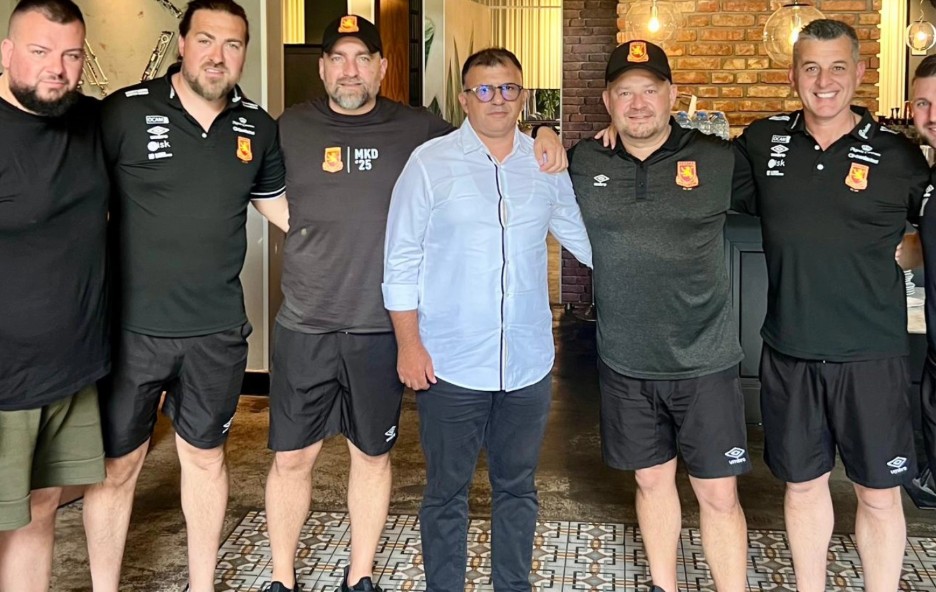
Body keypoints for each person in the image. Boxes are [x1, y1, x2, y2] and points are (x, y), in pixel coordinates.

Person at [267, 17, 566, 592]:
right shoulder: (290, 126)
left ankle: (360, 576)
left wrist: (544, 128)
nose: (351, 70)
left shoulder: (416, 128)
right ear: (323, 67)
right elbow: (251, 182)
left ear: (382, 67)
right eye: (339, 58)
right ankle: (281, 578)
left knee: (372, 456)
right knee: (292, 457)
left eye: (363, 58)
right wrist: (296, 227)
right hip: (306, 320)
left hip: (380, 327)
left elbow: (490, 125)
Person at [81, 2, 288, 591]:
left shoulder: (258, 126)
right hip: (132, 330)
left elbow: (281, 209)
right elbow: (79, 202)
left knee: (205, 457)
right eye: (205, 40)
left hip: (216, 331)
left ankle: (202, 585)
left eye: (232, 44)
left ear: (244, 52)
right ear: (182, 43)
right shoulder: (123, 111)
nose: (218, 56)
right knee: (119, 466)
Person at [382, 47, 592, 592]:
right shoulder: (429, 163)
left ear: (523, 96)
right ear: (464, 98)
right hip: (450, 362)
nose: (497, 99)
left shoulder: (544, 164)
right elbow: (400, 259)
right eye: (484, 89)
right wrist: (409, 344)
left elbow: (584, 239)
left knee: (518, 488)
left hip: (527, 364)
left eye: (508, 88)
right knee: (445, 492)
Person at [733, 20, 931, 592]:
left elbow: (931, 221)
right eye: (812, 68)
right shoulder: (762, 141)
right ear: (793, 75)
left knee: (878, 493)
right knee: (802, 486)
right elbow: (687, 166)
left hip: (871, 356)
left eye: (838, 67)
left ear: (860, 72)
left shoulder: (898, 156)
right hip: (790, 349)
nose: (824, 81)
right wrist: (605, 131)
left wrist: (913, 248)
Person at [570, 40, 749, 592]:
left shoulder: (718, 158)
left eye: (650, 90)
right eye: (625, 92)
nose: (638, 103)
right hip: (625, 359)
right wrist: (546, 133)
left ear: (672, 94)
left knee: (718, 492)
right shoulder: (585, 160)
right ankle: (663, 585)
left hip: (705, 360)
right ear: (608, 101)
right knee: (651, 482)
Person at [0, 2, 109, 590]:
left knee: (42, 510)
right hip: (4, 380)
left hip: (71, 369)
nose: (57, 69)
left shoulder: (89, 119)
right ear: (6, 52)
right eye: (40, 51)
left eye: (71, 54)